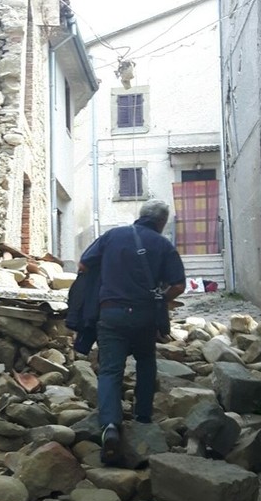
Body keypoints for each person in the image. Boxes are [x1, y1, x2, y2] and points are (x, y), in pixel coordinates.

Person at [78, 199, 185, 466]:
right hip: (145, 315)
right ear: (162, 222)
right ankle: (143, 416)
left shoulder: (113, 235)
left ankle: (110, 427)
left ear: (140, 216)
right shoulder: (164, 245)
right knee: (146, 362)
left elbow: (83, 265)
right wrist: (160, 296)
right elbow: (179, 286)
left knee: (110, 371)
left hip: (112, 313)